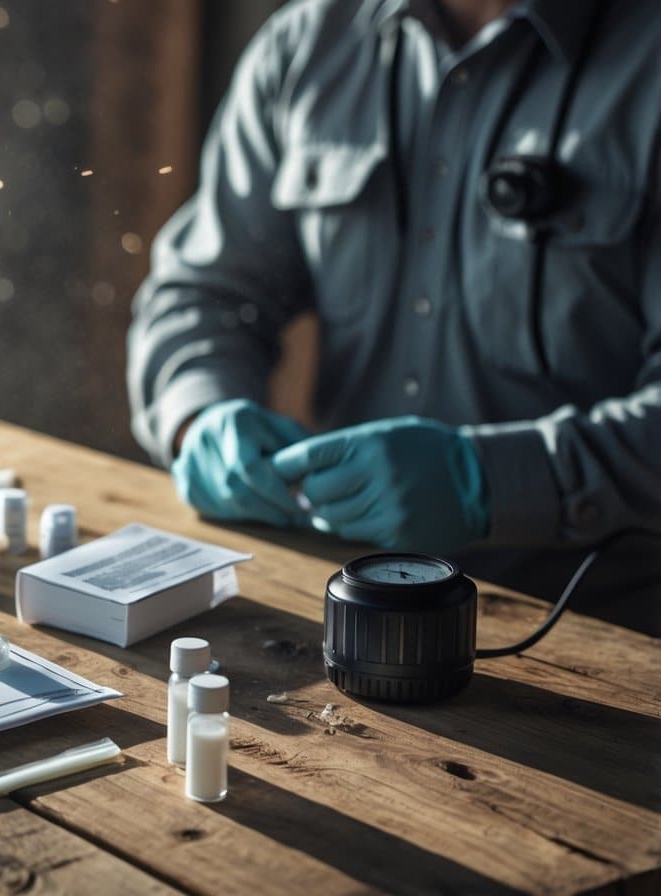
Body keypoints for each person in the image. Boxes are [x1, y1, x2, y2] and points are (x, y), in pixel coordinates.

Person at [127, 0, 661, 632]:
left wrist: (490, 483)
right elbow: (203, 291)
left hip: (597, 632)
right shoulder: (309, 43)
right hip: (339, 602)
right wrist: (202, 413)